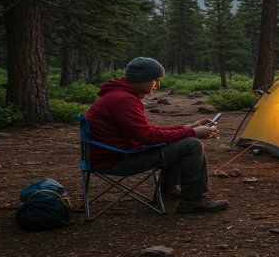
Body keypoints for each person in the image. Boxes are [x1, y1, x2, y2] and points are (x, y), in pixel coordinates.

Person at [84, 57, 228, 213]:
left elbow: (145, 131)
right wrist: (193, 132)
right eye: (156, 80)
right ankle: (194, 200)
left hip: (114, 154)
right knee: (191, 145)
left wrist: (188, 127)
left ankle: (168, 190)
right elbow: (148, 137)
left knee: (181, 140)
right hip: (116, 160)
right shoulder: (123, 100)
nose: (158, 85)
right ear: (142, 79)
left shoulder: (119, 95)